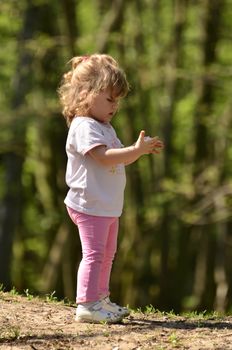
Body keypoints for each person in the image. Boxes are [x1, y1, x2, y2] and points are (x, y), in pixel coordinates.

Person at [58, 53, 164, 324]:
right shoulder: (84, 126)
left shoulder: (104, 126)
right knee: (94, 255)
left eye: (117, 100)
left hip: (107, 205)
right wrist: (133, 150)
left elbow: (121, 158)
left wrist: (139, 152)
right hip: (90, 203)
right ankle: (87, 303)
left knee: (108, 254)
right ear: (85, 94)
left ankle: (100, 298)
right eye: (109, 99)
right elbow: (103, 157)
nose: (114, 106)